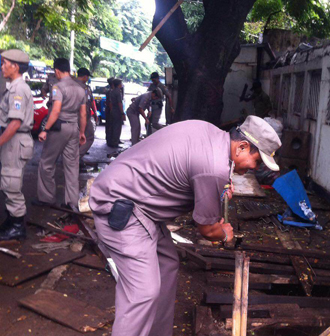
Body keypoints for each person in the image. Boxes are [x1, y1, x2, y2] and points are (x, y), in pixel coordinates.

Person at [88, 115, 281, 336]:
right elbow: (207, 229)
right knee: (143, 292)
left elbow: (192, 173)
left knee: (166, 264)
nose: (253, 169)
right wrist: (225, 235)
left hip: (139, 203)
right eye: (256, 162)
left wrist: (215, 190)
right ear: (242, 146)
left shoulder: (213, 135)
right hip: (121, 204)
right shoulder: (214, 168)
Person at [34, 58, 87, 208]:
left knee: (46, 162)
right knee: (71, 166)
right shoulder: (80, 88)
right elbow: (83, 114)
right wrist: (82, 132)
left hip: (59, 128)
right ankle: (71, 202)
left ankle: (46, 198)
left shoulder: (58, 86)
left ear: (57, 71)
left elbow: (56, 110)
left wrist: (45, 130)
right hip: (73, 128)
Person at [0, 49, 34, 241]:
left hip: (15, 141)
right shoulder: (13, 87)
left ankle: (17, 227)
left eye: (5, 63)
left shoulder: (18, 89)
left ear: (15, 66)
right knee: (8, 180)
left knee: (11, 182)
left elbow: (14, 122)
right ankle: (11, 220)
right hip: (13, 140)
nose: (2, 66)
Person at [75, 68, 96, 162]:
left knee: (75, 138)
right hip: (83, 115)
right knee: (89, 136)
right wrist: (95, 113)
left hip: (72, 116)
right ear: (85, 76)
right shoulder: (85, 88)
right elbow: (91, 101)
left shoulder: (70, 85)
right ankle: (76, 157)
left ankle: (74, 157)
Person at [108, 78, 124, 148]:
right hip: (117, 111)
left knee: (113, 126)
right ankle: (115, 142)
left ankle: (112, 141)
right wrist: (122, 112)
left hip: (113, 110)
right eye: (121, 83)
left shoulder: (112, 91)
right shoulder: (118, 92)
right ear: (119, 84)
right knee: (117, 127)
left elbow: (111, 102)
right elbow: (119, 103)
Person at [105, 77, 114, 146]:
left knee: (110, 125)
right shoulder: (110, 91)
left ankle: (110, 139)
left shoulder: (110, 90)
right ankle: (109, 140)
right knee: (110, 125)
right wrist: (112, 111)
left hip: (109, 110)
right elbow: (110, 102)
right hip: (110, 110)